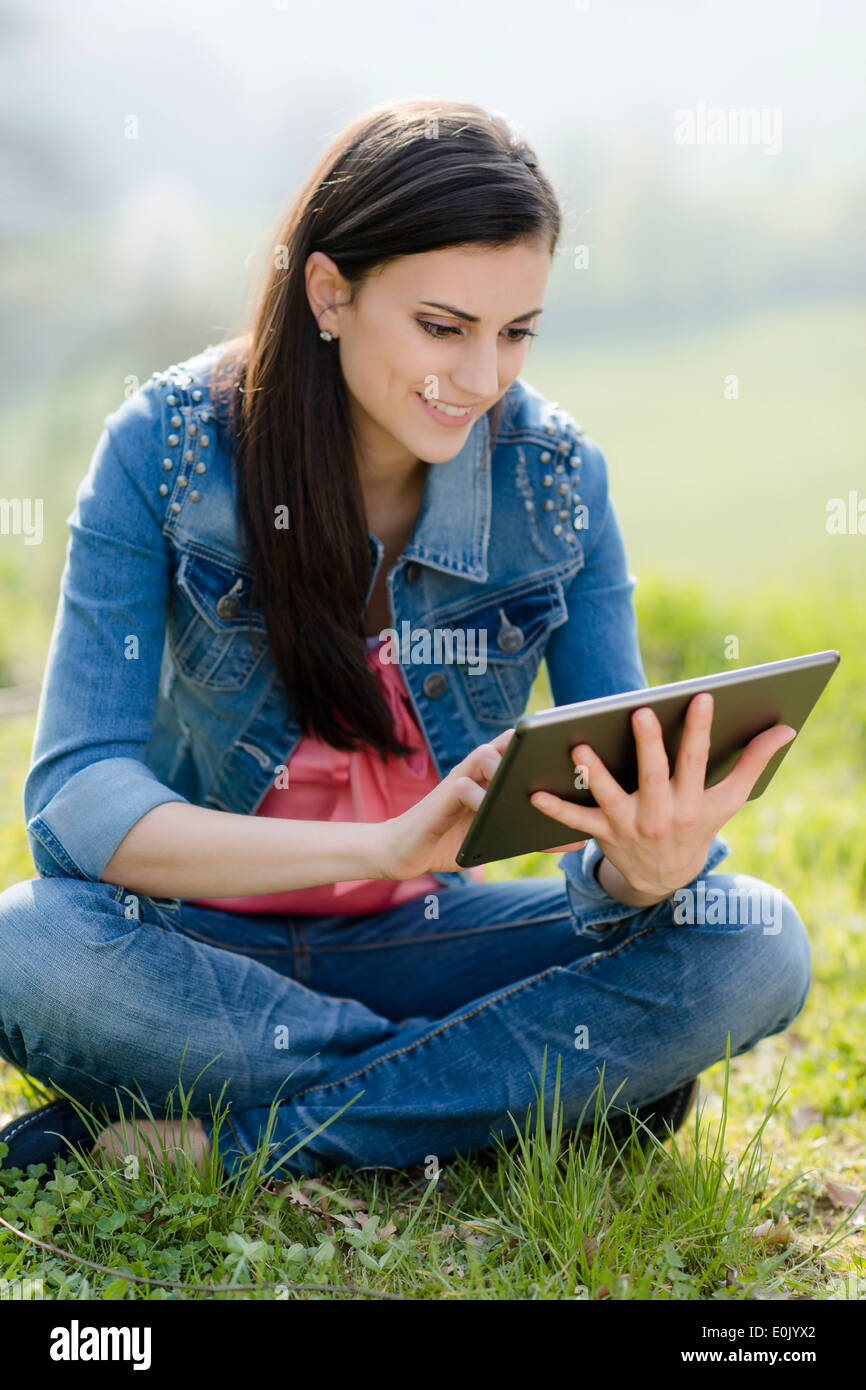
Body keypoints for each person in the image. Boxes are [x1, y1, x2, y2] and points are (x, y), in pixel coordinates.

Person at [0, 98, 809, 1182]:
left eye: (514, 331)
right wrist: (376, 847)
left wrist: (635, 872)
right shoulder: (169, 449)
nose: (481, 380)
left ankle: (234, 1140)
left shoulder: (555, 481)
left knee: (745, 934)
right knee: (28, 946)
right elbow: (76, 800)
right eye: (442, 326)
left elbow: (610, 778)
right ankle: (493, 1092)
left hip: (433, 943)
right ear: (329, 293)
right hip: (192, 955)